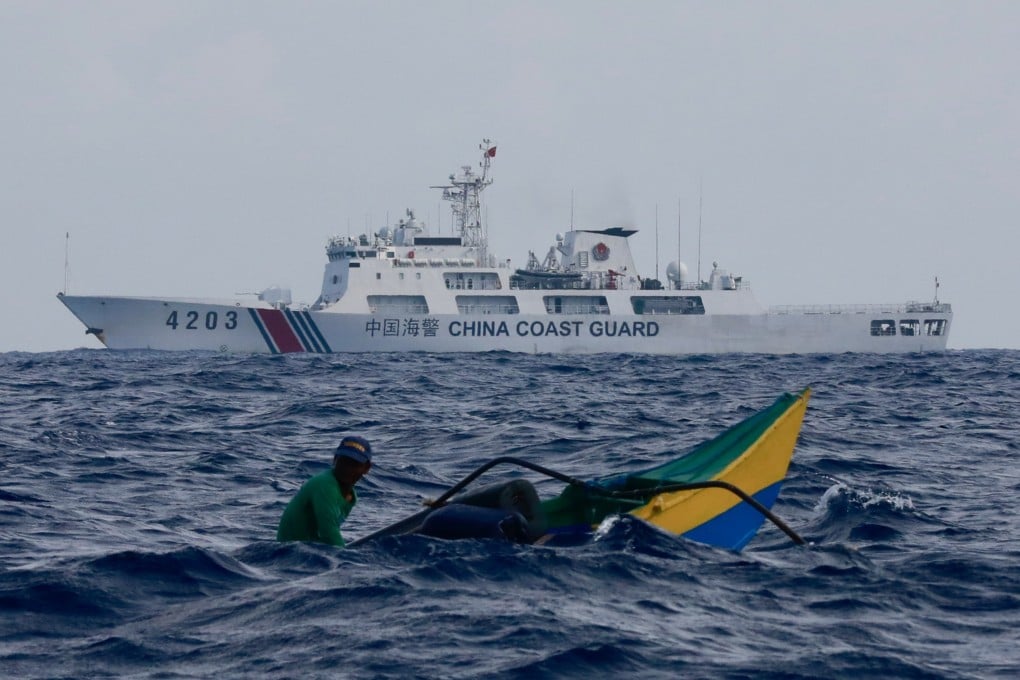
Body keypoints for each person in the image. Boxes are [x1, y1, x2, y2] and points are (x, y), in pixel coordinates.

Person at [277, 435, 372, 547]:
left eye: (354, 464)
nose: (347, 468)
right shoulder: (325, 485)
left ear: (366, 468)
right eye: (344, 462)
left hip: (307, 550)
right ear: (335, 460)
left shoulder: (350, 496)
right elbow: (329, 533)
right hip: (290, 553)